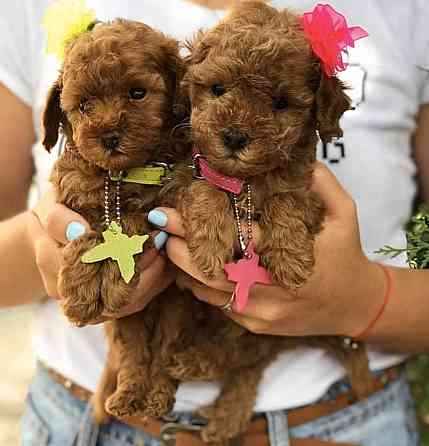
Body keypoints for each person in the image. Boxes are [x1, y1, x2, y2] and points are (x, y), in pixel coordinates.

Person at [0, 0, 428, 445]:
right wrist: (52, 245)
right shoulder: (28, 7)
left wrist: (368, 300)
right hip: (84, 419)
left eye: (281, 103)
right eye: (217, 90)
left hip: (350, 420)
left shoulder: (406, 11)